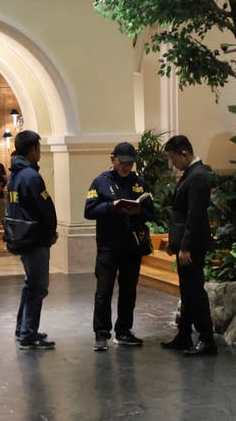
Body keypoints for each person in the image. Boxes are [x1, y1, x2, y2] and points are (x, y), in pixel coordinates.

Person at [84, 142, 155, 352]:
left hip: (132, 246)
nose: (126, 167)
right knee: (103, 291)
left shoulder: (139, 184)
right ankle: (101, 333)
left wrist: (139, 212)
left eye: (130, 163)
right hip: (108, 246)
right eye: (122, 162)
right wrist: (111, 207)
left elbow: (151, 212)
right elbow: (89, 211)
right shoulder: (100, 182)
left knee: (128, 291)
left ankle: (123, 331)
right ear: (113, 159)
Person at [160, 135, 216, 356]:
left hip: (192, 246)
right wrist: (175, 243)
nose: (173, 163)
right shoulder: (190, 174)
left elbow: (194, 215)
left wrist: (185, 247)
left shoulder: (198, 176)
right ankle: (184, 335)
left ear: (184, 153)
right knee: (187, 290)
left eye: (174, 158)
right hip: (185, 243)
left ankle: (206, 338)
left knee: (195, 291)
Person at [7, 130, 58, 349]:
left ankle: (23, 329)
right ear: (31, 149)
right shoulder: (31, 176)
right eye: (38, 148)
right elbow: (44, 208)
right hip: (34, 238)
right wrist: (50, 232)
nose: (40, 152)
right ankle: (28, 333)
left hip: (21, 235)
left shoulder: (15, 174)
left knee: (30, 285)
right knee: (38, 286)